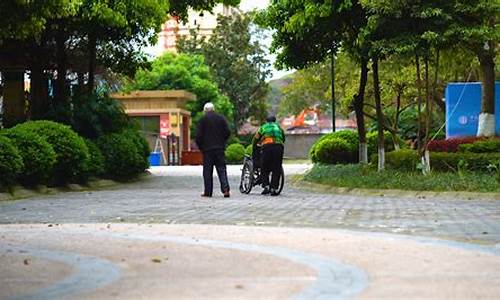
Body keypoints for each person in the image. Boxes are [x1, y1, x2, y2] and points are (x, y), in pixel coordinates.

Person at [195, 102, 231, 198]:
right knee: (222, 169)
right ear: (214, 109)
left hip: (207, 150)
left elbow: (198, 136)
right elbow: (227, 132)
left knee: (207, 171)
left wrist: (201, 147)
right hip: (219, 148)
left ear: (205, 111)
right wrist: (223, 142)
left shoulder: (202, 120)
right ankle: (226, 190)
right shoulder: (221, 118)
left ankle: (208, 192)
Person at [252, 115, 285, 196]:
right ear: (275, 121)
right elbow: (283, 138)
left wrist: (254, 146)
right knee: (277, 168)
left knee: (264, 166)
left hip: (267, 147)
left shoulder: (263, 127)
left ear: (266, 121)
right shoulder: (279, 127)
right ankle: (274, 188)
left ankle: (266, 186)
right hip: (279, 147)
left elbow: (256, 138)